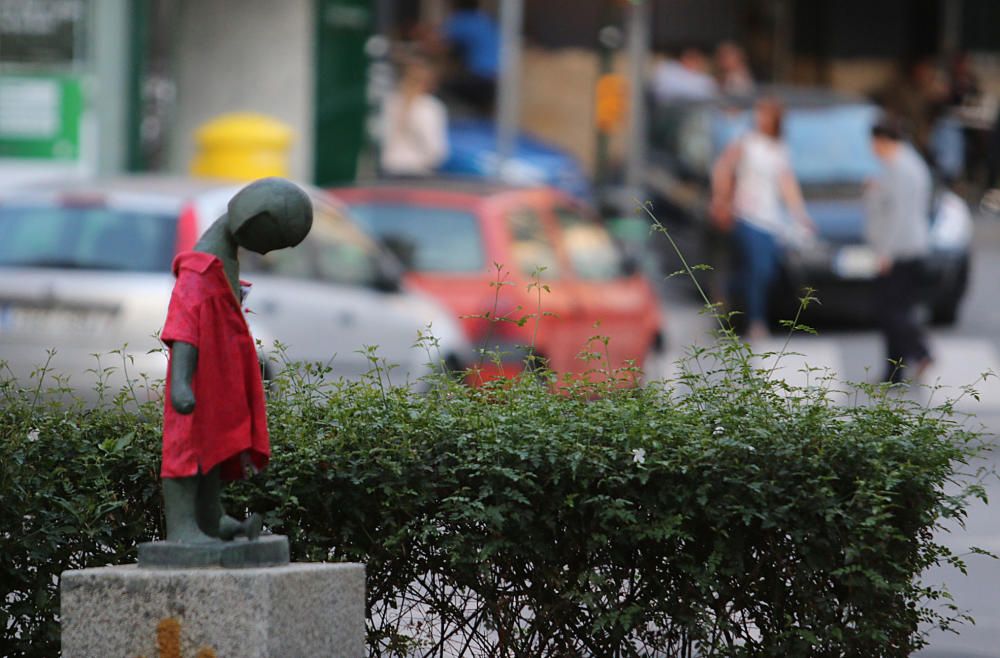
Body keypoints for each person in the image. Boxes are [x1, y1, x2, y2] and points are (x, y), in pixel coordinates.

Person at [710, 98, 814, 341]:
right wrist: (721, 200)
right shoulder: (746, 143)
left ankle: (728, 291)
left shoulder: (779, 149)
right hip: (747, 214)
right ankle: (756, 321)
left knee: (766, 271)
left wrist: (800, 213)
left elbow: (787, 183)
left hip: (771, 218)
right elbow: (722, 168)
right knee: (758, 269)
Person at [865, 118, 933, 383]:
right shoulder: (902, 165)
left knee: (891, 311)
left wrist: (886, 252)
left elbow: (899, 216)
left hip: (902, 250)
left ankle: (919, 353)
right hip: (904, 248)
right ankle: (896, 368)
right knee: (895, 310)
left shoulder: (902, 168)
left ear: (883, 140)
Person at [381, 54, 449, 177]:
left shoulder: (387, 103)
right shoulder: (430, 107)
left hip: (387, 172)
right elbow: (436, 151)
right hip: (418, 175)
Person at [440, 0, 499, 114]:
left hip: (478, 79)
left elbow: (439, 45)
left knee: (438, 89)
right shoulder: (485, 20)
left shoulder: (462, 19)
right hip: (495, 79)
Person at [650, 48, 718, 103]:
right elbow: (660, 91)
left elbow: (707, 95)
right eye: (688, 57)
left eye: (693, 58)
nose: (690, 61)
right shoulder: (669, 68)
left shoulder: (705, 80)